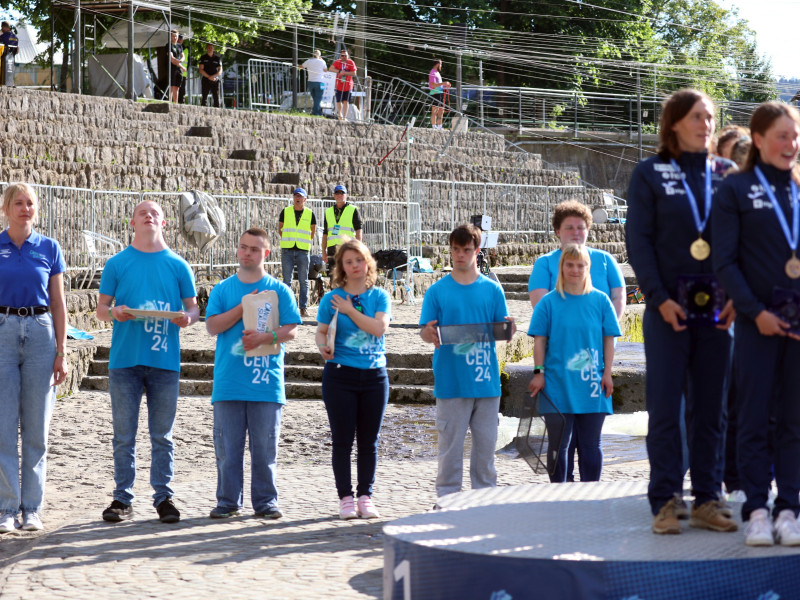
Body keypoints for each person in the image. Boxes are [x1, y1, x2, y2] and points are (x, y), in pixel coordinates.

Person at [626, 88, 736, 535]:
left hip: (720, 312)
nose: (706, 124)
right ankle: (667, 500)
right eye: (696, 116)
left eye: (710, 117)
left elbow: (744, 240)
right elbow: (639, 241)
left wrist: (737, 297)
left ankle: (709, 497)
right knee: (667, 407)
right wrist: (657, 296)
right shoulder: (650, 173)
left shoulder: (727, 173)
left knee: (712, 408)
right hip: (667, 310)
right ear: (673, 122)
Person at [714, 101, 800, 547]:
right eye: (782, 136)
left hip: (797, 326)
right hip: (755, 324)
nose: (791, 144)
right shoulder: (736, 189)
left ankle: (789, 507)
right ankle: (757, 511)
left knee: (792, 419)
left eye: (796, 136)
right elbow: (725, 261)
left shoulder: (799, 190)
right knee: (752, 418)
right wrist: (755, 312)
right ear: (760, 138)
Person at [97, 200, 199, 524]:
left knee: (162, 436)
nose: (149, 216)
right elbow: (101, 310)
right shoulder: (117, 263)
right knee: (124, 435)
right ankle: (122, 499)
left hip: (165, 361)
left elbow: (194, 308)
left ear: (164, 223)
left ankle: (164, 497)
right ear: (132, 222)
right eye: (143, 212)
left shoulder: (179, 265)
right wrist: (113, 313)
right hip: (125, 361)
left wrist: (188, 319)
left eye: (155, 213)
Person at [205, 228, 301, 519]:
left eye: (254, 249)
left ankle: (266, 501)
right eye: (243, 247)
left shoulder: (279, 290)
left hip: (265, 383)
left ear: (266, 254)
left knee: (265, 449)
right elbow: (212, 326)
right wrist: (243, 306)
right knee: (228, 449)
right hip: (229, 383)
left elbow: (292, 330)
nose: (247, 253)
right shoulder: (223, 289)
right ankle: (228, 501)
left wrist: (264, 338)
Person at [528, 199, 625, 482]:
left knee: (590, 444)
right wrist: (539, 371)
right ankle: (561, 494)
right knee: (560, 445)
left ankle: (589, 495)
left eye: (580, 227)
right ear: (557, 231)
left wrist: (606, 365)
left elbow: (616, 305)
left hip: (593, 372)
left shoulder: (604, 271)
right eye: (568, 227)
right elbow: (541, 329)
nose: (575, 232)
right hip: (557, 372)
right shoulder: (547, 280)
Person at [420, 224, 515, 498]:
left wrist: (509, 329)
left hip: (486, 384)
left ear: (477, 251)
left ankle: (483, 503)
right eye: (455, 250)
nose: (460, 255)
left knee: (486, 452)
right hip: (451, 383)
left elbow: (502, 328)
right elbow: (426, 332)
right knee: (449, 451)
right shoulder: (436, 292)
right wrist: (428, 333)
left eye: (466, 250)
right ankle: (447, 501)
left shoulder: (493, 291)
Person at [0, 183, 68, 533]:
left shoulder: (49, 248)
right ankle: (7, 509)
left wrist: (62, 352)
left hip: (41, 332)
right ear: (6, 208)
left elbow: (58, 303)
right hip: (3, 332)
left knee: (37, 429)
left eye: (30, 203)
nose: (25, 208)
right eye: (18, 203)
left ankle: (32, 508)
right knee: (3, 427)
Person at [315, 238, 391, 519]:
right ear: (341, 268)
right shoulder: (330, 299)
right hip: (339, 376)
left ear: (367, 261)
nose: (355, 265)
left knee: (369, 441)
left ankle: (365, 496)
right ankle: (346, 497)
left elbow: (378, 329)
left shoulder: (380, 296)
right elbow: (321, 331)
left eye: (359, 260)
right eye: (349, 262)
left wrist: (350, 310)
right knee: (342, 441)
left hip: (374, 376)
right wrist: (322, 346)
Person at [279, 187, 317, 317]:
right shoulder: (285, 211)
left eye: (300, 196)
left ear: (305, 199)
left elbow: (312, 232)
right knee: (287, 280)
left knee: (303, 280)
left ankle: (303, 308)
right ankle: (287, 307)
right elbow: (280, 229)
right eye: (296, 196)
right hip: (287, 249)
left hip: (303, 250)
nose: (298, 198)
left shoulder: (310, 213)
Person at [321, 184, 362, 276]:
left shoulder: (353, 210)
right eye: (337, 193)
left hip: (347, 248)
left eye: (342, 193)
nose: (339, 195)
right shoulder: (328, 212)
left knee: (347, 277)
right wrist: (323, 251)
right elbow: (325, 233)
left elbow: (359, 230)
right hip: (332, 249)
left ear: (346, 195)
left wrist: (358, 249)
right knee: (333, 277)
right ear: (334, 195)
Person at [328, 49, 356, 121]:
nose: (343, 57)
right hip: (339, 85)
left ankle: (345, 116)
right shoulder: (338, 62)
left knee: (346, 101)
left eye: (345, 55)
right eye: (342, 55)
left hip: (348, 85)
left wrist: (344, 73)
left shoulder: (351, 62)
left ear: (348, 56)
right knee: (339, 101)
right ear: (340, 56)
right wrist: (339, 71)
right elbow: (331, 68)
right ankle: (340, 114)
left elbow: (354, 73)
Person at [300, 49, 327, 117]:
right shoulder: (322, 61)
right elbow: (325, 70)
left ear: (313, 54)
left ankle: (316, 112)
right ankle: (316, 113)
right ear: (320, 55)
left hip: (311, 81)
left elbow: (301, 66)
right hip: (320, 82)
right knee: (318, 98)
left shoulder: (309, 61)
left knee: (315, 98)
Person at [198, 42, 223, 108]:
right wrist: (209, 77)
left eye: (211, 48)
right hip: (206, 79)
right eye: (208, 48)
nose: (210, 49)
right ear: (206, 49)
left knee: (216, 97)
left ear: (213, 49)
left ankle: (217, 111)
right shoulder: (203, 57)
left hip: (215, 79)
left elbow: (220, 70)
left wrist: (213, 77)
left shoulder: (217, 58)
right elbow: (201, 69)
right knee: (204, 97)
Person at [428, 59, 451, 130]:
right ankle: (434, 126)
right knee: (435, 110)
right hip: (435, 93)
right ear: (438, 64)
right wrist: (443, 83)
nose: (441, 66)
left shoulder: (437, 73)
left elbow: (438, 85)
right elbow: (433, 85)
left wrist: (445, 86)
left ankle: (440, 126)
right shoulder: (432, 73)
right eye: (441, 64)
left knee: (441, 110)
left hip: (440, 93)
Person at [168, 29, 186, 104]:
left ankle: (176, 103)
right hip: (172, 68)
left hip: (178, 69)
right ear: (170, 37)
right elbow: (171, 59)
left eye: (176, 36)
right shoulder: (168, 45)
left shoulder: (179, 46)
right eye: (173, 36)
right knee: (172, 86)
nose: (175, 38)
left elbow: (183, 56)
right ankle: (170, 102)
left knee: (177, 87)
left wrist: (180, 60)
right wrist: (181, 66)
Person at [0, 21, 18, 87]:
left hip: (4, 59)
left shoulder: (2, 37)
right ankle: (11, 83)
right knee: (10, 71)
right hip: (12, 59)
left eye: (2, 27)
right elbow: (16, 50)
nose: (1, 29)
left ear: (4, 27)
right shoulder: (15, 38)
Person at [177, 34, 187, 104]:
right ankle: (176, 101)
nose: (180, 40)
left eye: (181, 39)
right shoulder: (173, 47)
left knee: (182, 89)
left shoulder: (185, 49)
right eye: (179, 39)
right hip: (176, 69)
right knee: (176, 87)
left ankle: (181, 102)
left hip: (184, 72)